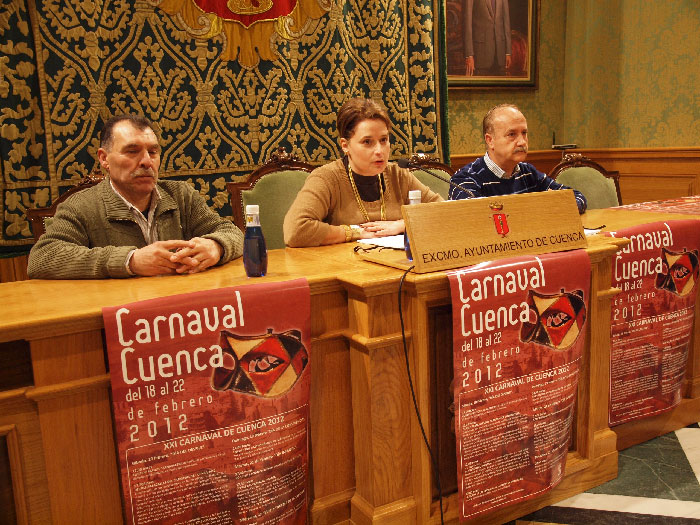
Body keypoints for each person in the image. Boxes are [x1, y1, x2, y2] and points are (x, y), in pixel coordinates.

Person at [27, 115, 244, 279]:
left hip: (181, 312)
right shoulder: (80, 206)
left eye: (153, 152)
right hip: (120, 319)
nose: (146, 162)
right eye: (132, 151)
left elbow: (233, 234)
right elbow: (42, 258)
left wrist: (216, 246)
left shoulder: (181, 195)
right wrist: (130, 261)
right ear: (104, 159)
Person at [283, 98, 443, 247]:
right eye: (367, 142)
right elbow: (296, 230)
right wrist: (355, 231)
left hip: (396, 266)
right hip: (345, 268)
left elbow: (443, 211)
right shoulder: (327, 178)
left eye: (384, 140)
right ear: (345, 145)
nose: (379, 151)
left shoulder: (397, 174)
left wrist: (402, 224)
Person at [449, 104, 587, 214]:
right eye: (512, 134)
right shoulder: (465, 179)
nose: (522, 142)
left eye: (524, 133)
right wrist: (540, 207)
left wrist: (560, 205)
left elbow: (578, 197)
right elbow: (474, 218)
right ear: (490, 140)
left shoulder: (528, 172)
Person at [464, 0, 511, 76]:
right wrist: (469, 54)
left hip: (500, 54)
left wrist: (508, 52)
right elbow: (467, 24)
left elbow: (506, 21)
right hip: (481, 54)